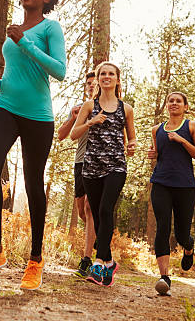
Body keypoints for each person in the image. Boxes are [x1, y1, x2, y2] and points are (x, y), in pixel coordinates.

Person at [0, 0, 66, 291]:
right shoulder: (13, 30)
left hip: (38, 115)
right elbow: (16, 75)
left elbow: (59, 70)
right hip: (5, 105)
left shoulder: (50, 28)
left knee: (34, 182)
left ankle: (35, 260)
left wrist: (24, 42)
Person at [70, 61, 136, 287]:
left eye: (111, 74)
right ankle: (109, 261)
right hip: (91, 167)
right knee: (97, 215)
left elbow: (132, 136)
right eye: (103, 74)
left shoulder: (126, 108)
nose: (107, 77)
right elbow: (73, 134)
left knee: (106, 209)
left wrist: (132, 145)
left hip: (116, 165)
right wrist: (91, 121)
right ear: (98, 79)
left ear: (117, 79)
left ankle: (98, 263)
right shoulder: (90, 105)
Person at [147, 92, 195, 296]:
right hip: (161, 182)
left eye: (178, 101)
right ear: (166, 105)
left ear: (185, 106)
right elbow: (158, 155)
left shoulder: (192, 127)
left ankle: (188, 248)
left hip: (185, 185)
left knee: (181, 234)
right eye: (170, 101)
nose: (174, 103)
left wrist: (182, 141)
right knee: (163, 225)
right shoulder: (157, 130)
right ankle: (164, 277)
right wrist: (153, 154)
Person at [56, 72, 97, 278]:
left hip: (99, 164)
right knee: (82, 211)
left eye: (95, 83)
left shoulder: (108, 107)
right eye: (88, 83)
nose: (91, 86)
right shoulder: (80, 109)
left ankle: (87, 259)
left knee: (91, 207)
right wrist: (73, 118)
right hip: (80, 162)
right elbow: (62, 136)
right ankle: (97, 234)